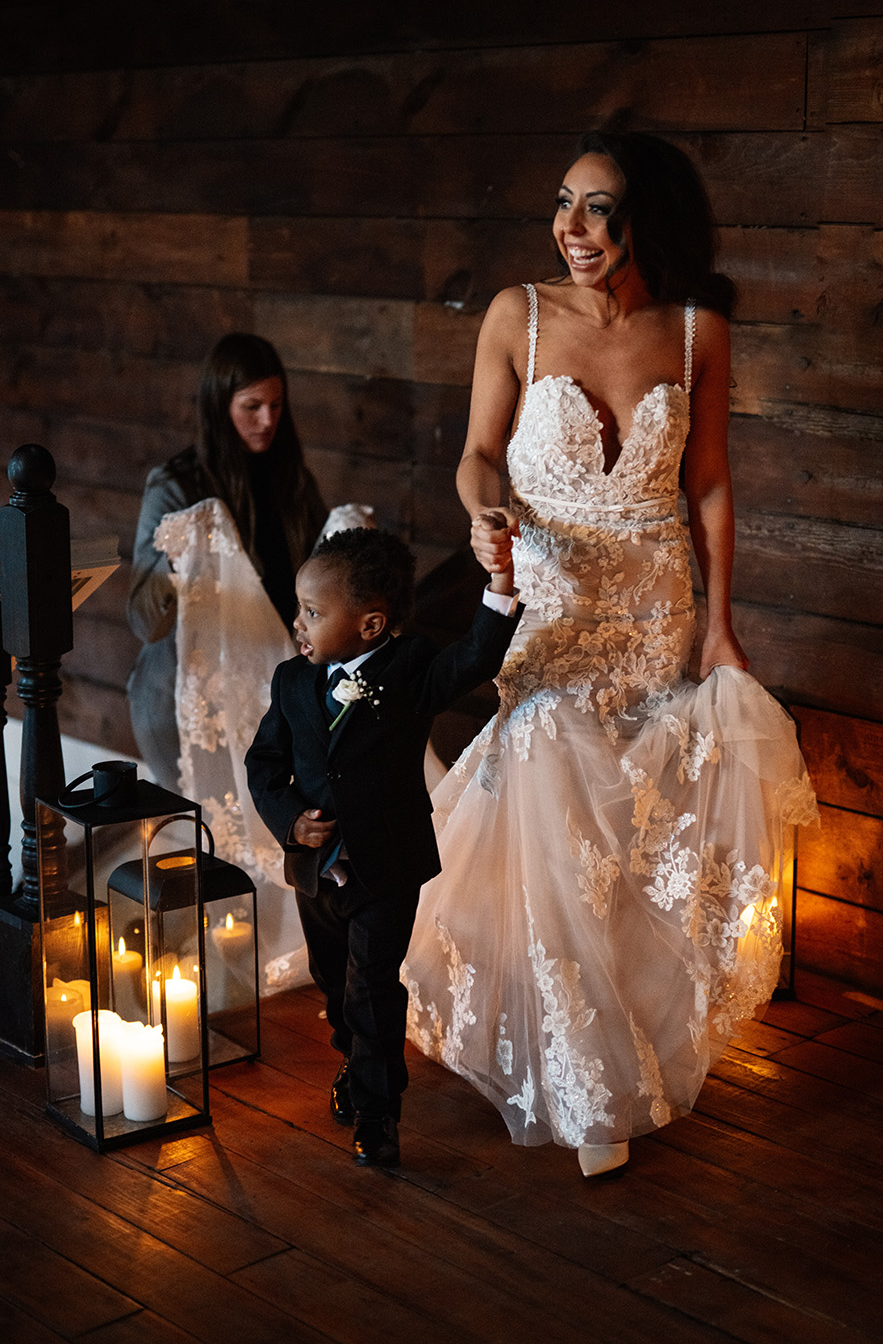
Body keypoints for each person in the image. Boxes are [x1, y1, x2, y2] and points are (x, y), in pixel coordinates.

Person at [402, 131, 818, 1177]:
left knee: (631, 835)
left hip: (654, 606)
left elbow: (710, 486)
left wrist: (719, 625)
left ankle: (627, 1043)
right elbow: (476, 455)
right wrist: (483, 510)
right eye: (563, 205)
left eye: (598, 210)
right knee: (547, 797)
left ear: (649, 223)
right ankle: (583, 1088)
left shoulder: (696, 333)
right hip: (549, 605)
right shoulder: (518, 315)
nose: (571, 230)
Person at [245, 527, 522, 1166]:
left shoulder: (411, 671)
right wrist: (291, 820)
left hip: (385, 868)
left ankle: (378, 1113)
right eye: (299, 608)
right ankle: (358, 1061)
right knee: (333, 982)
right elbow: (264, 763)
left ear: (370, 625)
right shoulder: (291, 682)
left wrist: (502, 586)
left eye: (314, 612)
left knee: (372, 986)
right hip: (317, 870)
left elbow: (474, 658)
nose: (298, 623)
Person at [126, 333, 327, 790]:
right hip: (192, 700)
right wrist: (179, 563)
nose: (267, 420)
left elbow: (321, 568)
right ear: (220, 407)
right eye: (251, 406)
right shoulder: (175, 487)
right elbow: (143, 619)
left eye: (276, 406)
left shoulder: (290, 478)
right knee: (213, 840)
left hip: (271, 686)